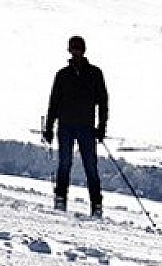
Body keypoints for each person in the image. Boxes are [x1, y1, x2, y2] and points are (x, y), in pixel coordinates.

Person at [43, 35, 109, 216]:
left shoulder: (95, 74)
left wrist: (102, 125)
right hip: (65, 126)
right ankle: (60, 198)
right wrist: (49, 126)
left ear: (83, 50)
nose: (76, 52)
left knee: (90, 166)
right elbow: (54, 102)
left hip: (86, 127)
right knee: (64, 164)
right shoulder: (62, 75)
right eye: (73, 49)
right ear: (70, 51)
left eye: (79, 49)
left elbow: (103, 101)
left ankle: (96, 204)